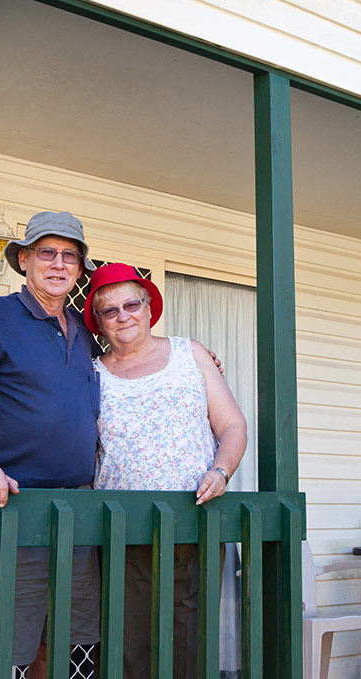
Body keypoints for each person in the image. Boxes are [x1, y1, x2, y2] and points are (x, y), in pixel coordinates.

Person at [0, 210, 103, 679]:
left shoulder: (86, 334)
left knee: (55, 648)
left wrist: (199, 361)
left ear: (79, 269)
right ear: (24, 261)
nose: (58, 264)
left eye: (69, 256)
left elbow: (139, 364)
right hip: (9, 510)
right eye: (46, 253)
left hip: (78, 513)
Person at [82, 263, 249, 679]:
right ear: (98, 322)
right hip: (122, 528)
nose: (124, 316)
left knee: (188, 644)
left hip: (193, 521)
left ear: (149, 306)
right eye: (110, 310)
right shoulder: (91, 373)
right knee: (127, 645)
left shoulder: (189, 353)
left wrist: (221, 470)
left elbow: (232, 425)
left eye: (131, 304)